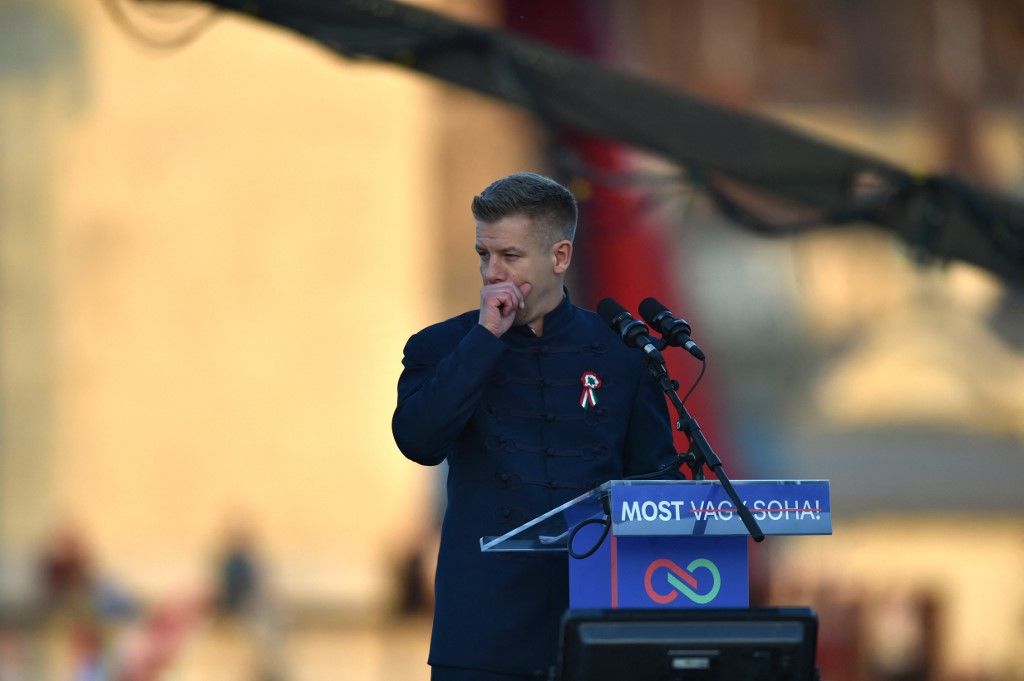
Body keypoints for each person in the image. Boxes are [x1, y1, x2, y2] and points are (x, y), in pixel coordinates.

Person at [392, 172, 678, 680]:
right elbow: (418, 440)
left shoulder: (622, 352)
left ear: (560, 257)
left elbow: (658, 483)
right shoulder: (439, 346)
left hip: (598, 623)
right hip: (483, 632)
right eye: (484, 254)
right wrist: (485, 339)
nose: (492, 272)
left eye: (510, 256)